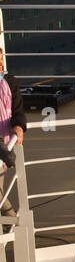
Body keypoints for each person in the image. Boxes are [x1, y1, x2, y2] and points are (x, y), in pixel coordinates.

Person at [0, 46, 27, 218]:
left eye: (1, 59)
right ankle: (15, 224)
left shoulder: (10, 81)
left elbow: (17, 109)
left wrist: (19, 125)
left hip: (4, 140)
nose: (0, 63)